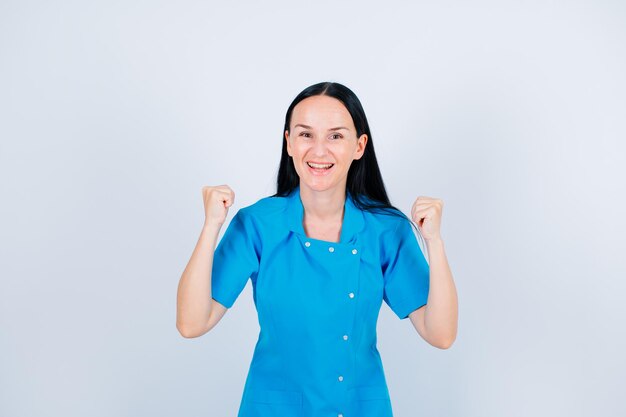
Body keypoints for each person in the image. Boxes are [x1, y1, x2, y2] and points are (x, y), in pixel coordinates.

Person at [176, 81, 458, 417]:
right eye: (306, 134)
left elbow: (440, 334)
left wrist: (435, 243)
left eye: (336, 136)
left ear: (359, 145)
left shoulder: (386, 230)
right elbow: (192, 323)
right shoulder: (257, 224)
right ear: (289, 143)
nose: (319, 150)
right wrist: (211, 226)